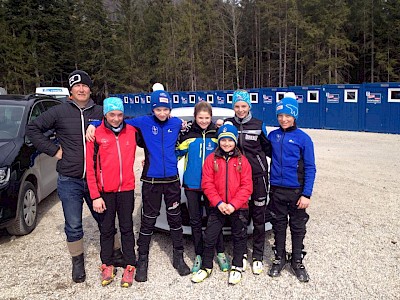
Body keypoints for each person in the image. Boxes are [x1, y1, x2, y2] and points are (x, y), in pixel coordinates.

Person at [26, 70, 123, 283]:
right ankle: (77, 261)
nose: (81, 89)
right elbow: (33, 129)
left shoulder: (100, 111)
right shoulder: (59, 111)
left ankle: (115, 252)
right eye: (77, 86)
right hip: (69, 179)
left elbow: (120, 124)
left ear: (90, 88)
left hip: (96, 179)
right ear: (71, 90)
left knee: (105, 218)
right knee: (73, 223)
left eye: (85, 86)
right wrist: (53, 150)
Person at [87, 88, 191, 282]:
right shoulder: (142, 122)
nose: (162, 113)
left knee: (175, 220)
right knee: (148, 220)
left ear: (170, 110)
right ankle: (141, 260)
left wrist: (221, 124)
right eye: (158, 109)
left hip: (172, 181)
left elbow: (197, 127)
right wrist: (93, 123)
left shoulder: (177, 123)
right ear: (152, 109)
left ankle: (178, 257)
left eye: (165, 109)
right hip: (151, 181)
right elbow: (116, 121)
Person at [86, 97, 138, 287]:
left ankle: (130, 264)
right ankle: (107, 264)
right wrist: (95, 196)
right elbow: (90, 168)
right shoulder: (96, 134)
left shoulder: (132, 131)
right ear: (105, 115)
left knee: (127, 227)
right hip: (105, 191)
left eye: (119, 114)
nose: (116, 119)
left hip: (126, 189)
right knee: (106, 229)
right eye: (112, 115)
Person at [191, 124, 252, 285]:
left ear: (235, 141)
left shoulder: (242, 160)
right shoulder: (211, 159)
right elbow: (207, 183)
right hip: (217, 206)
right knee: (210, 237)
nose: (226, 143)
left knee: (239, 237)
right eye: (223, 140)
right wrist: (218, 202)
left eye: (230, 140)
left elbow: (247, 186)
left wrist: (233, 204)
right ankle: (206, 266)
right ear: (219, 141)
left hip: (237, 207)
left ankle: (237, 266)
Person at [267, 92, 316, 282]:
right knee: (279, 225)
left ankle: (296, 260)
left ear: (294, 116)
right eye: (280, 115)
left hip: (297, 192)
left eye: (287, 115)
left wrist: (307, 194)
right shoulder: (273, 136)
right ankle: (279, 258)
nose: (283, 119)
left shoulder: (304, 139)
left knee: (297, 227)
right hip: (277, 190)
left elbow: (311, 167)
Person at [176, 101, 229, 273]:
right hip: (192, 184)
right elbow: (175, 153)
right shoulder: (188, 134)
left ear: (211, 117)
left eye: (207, 118)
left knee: (215, 220)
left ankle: (220, 252)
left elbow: (230, 148)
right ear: (195, 117)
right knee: (195, 221)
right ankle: (198, 254)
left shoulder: (217, 133)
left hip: (212, 186)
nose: (204, 121)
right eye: (200, 118)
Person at [224, 89, 271, 275]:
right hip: (238, 179)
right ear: (233, 107)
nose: (240, 110)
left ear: (249, 106)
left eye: (244, 106)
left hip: (258, 177)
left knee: (259, 217)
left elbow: (270, 150)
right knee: (240, 219)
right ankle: (241, 253)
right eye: (237, 106)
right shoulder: (228, 124)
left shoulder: (259, 124)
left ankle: (258, 255)